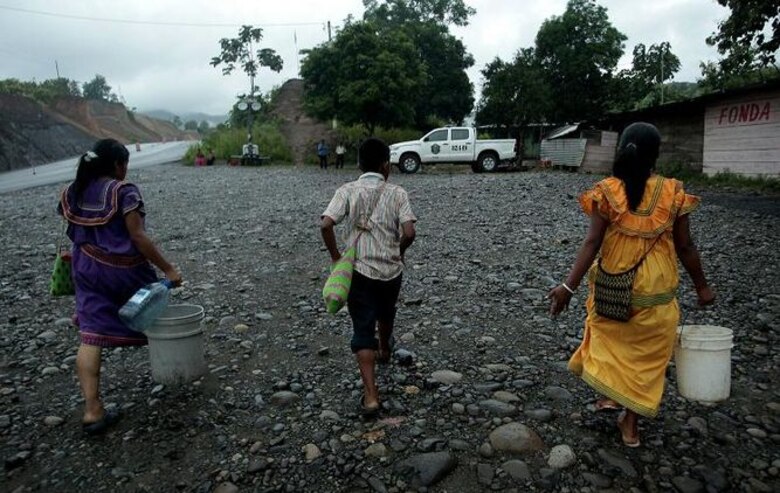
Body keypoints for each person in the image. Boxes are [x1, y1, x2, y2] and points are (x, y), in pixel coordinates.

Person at [547, 122, 714, 447]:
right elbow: (686, 247)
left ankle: (611, 396)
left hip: (614, 288)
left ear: (622, 148)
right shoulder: (673, 192)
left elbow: (592, 242)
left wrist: (567, 288)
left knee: (610, 341)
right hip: (657, 293)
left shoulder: (608, 190)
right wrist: (702, 288)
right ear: (656, 155)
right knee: (647, 357)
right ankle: (631, 424)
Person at [57, 138, 182, 435]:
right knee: (154, 310)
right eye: (124, 163)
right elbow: (137, 237)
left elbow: (74, 231)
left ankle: (92, 409)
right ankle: (175, 369)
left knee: (91, 334)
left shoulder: (73, 191)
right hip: (123, 270)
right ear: (116, 165)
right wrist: (168, 269)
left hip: (84, 268)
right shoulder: (123, 191)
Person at [321, 137, 416, 416]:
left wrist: (336, 256)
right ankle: (385, 350)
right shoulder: (398, 193)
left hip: (359, 270)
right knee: (387, 311)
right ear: (386, 165)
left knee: (363, 326)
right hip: (391, 269)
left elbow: (326, 224)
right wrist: (399, 250)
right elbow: (410, 232)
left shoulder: (347, 190)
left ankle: (371, 397)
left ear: (359, 164)